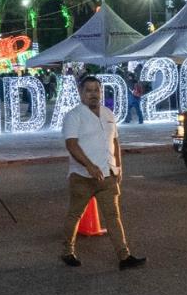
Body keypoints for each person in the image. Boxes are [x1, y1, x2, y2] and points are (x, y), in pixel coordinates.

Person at [60, 75, 145, 270]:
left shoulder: (108, 114)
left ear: (101, 92)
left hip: (108, 175)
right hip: (82, 177)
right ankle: (67, 251)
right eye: (88, 90)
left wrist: (119, 166)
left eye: (96, 90)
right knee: (75, 214)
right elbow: (71, 144)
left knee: (113, 216)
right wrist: (89, 165)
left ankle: (124, 256)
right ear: (81, 93)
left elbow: (114, 141)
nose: (93, 94)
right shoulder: (74, 116)